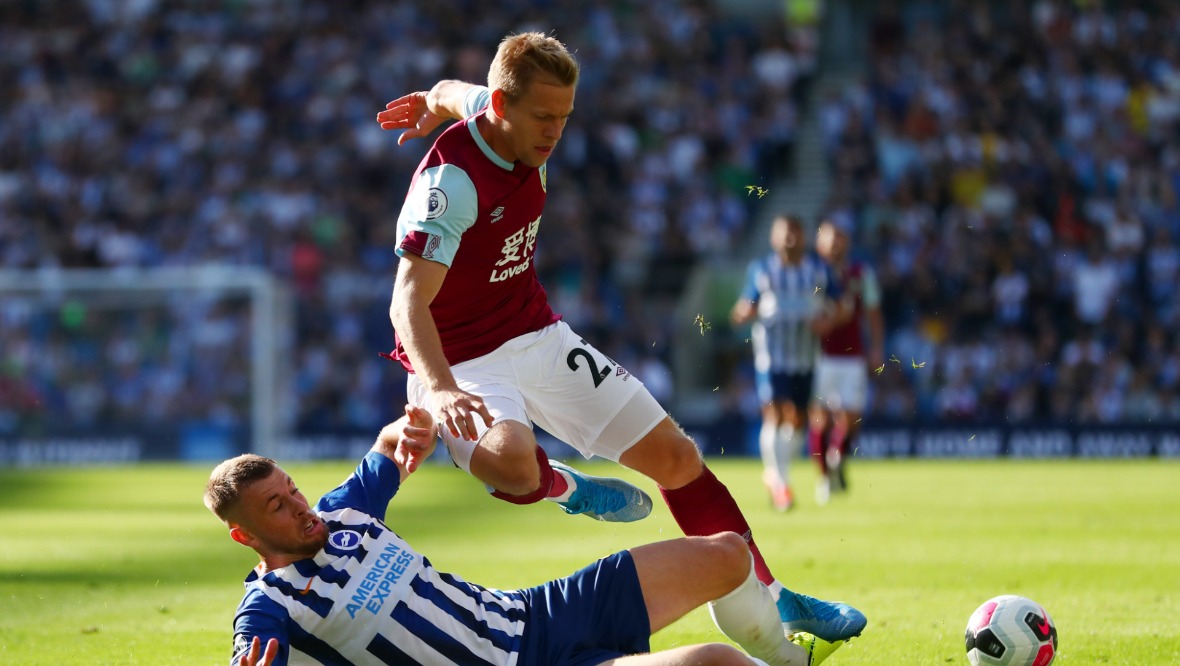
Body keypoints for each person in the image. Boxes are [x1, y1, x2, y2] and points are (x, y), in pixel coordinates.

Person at [375, 31, 865, 641]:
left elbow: (454, 92)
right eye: (544, 117)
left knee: (679, 458)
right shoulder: (451, 185)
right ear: (503, 106)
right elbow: (406, 301)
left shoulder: (498, 111)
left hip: (536, 332)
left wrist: (430, 97)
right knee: (513, 462)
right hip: (460, 362)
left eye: (565, 117)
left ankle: (774, 594)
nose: (555, 132)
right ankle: (565, 484)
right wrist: (441, 388)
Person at [205, 406, 846, 665]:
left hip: (532, 614)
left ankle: (796, 659)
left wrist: (406, 429)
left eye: (292, 489)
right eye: (277, 507)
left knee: (728, 555)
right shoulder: (270, 606)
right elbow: (250, 653)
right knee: (719, 664)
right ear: (245, 536)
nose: (299, 507)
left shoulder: (343, 513)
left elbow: (384, 451)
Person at [730, 215, 843, 512]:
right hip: (772, 356)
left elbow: (839, 306)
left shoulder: (818, 271)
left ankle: (777, 475)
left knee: (798, 420)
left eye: (795, 234)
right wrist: (743, 313)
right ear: (773, 238)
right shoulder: (762, 270)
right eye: (784, 234)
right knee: (775, 415)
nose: (790, 240)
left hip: (806, 357)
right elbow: (745, 305)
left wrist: (827, 320)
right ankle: (780, 483)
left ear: (804, 237)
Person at [810, 218, 884, 504]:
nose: (836, 242)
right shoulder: (810, 274)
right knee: (819, 419)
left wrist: (877, 346)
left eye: (841, 237)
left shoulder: (860, 273)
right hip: (818, 357)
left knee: (851, 417)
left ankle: (836, 457)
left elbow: (873, 312)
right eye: (831, 237)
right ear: (820, 243)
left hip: (852, 356)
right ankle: (824, 479)